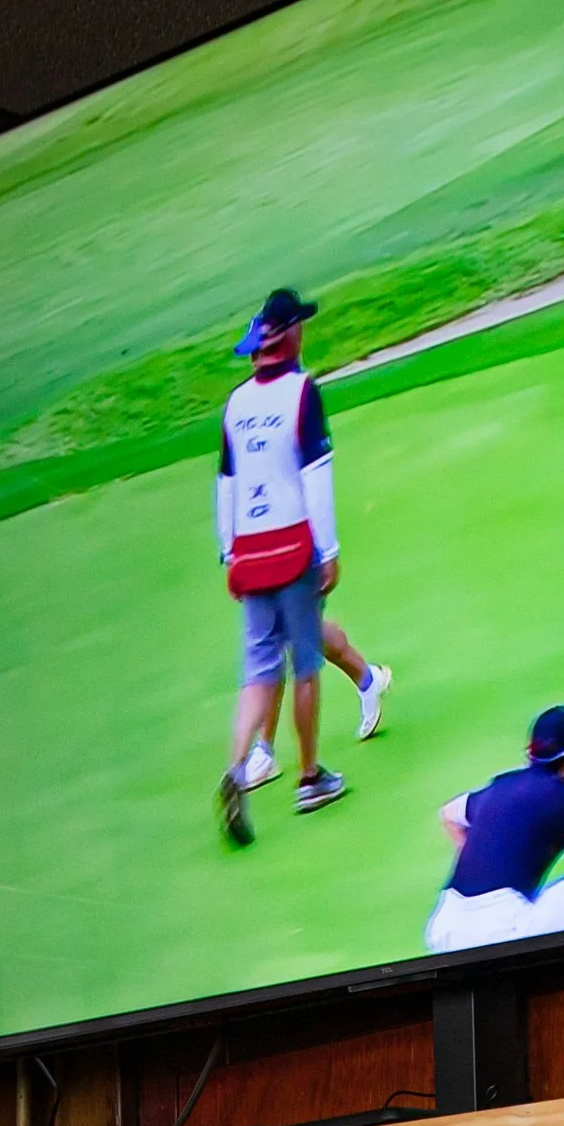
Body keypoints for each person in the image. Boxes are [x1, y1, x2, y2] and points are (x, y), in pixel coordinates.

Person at [213, 289, 387, 845]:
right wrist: (329, 549)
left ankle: (237, 767)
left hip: (249, 549)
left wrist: (229, 553)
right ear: (290, 335)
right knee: (304, 662)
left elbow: (227, 486)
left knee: (258, 669)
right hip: (293, 546)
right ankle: (311, 777)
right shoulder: (302, 392)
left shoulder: (235, 403)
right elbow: (317, 475)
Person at [425, 705, 564, 954]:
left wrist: (476, 854)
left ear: (531, 753)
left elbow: (449, 814)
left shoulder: (500, 785)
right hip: (499, 931)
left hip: (444, 929)